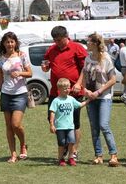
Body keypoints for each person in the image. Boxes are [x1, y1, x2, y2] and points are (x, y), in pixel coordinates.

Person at [42, 26, 88, 160]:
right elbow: (46, 64)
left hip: (73, 92)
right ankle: (64, 147)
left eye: (59, 40)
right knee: (54, 120)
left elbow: (85, 68)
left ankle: (73, 151)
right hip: (56, 93)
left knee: (74, 122)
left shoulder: (77, 48)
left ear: (66, 36)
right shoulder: (52, 49)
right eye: (55, 40)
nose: (57, 43)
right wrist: (45, 67)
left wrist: (79, 84)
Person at [78, 33, 120, 167]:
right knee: (94, 127)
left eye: (89, 42)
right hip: (90, 97)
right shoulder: (87, 59)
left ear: (96, 44)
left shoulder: (106, 58)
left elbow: (113, 79)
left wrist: (99, 91)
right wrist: (85, 90)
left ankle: (113, 155)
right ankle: (98, 155)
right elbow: (84, 77)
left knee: (104, 125)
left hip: (104, 97)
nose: (87, 44)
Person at [0, 32, 32, 163]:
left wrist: (20, 73)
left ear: (15, 43)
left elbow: (30, 73)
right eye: (7, 42)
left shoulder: (21, 56)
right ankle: (13, 154)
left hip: (20, 93)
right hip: (6, 94)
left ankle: (23, 144)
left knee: (16, 124)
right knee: (8, 126)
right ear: (3, 43)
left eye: (12, 41)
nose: (10, 44)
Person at [49, 78, 90, 166]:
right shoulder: (56, 101)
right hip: (60, 127)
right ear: (59, 90)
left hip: (70, 127)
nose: (67, 90)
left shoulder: (71, 99)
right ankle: (61, 159)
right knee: (62, 144)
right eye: (65, 88)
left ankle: (71, 158)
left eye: (68, 88)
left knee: (71, 142)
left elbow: (79, 105)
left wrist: (88, 100)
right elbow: (52, 112)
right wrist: (52, 124)